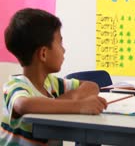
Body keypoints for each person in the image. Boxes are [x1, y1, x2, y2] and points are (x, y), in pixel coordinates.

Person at [1, 8, 107, 146]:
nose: (64, 49)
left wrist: (68, 98)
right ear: (43, 54)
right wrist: (79, 106)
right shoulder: (15, 85)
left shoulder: (52, 84)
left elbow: (91, 86)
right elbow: (23, 105)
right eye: (60, 43)